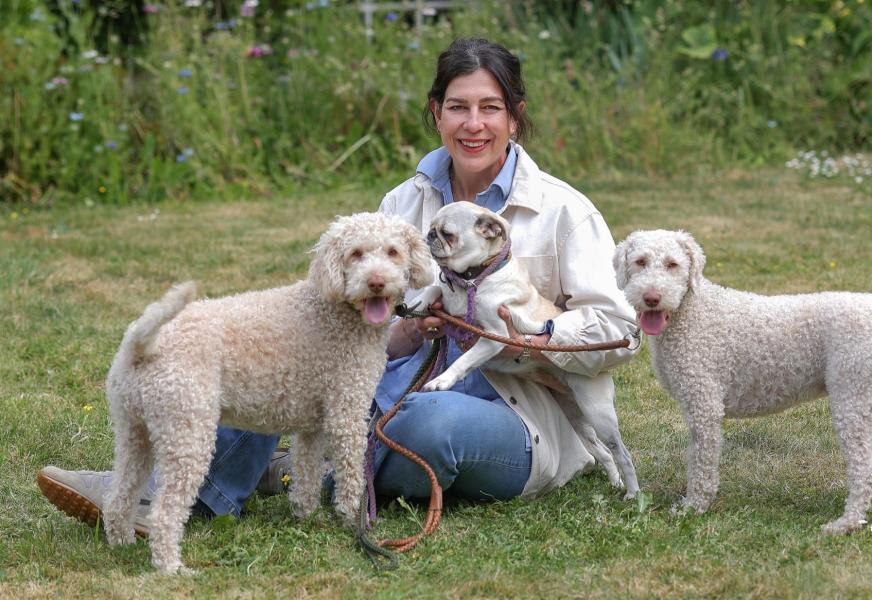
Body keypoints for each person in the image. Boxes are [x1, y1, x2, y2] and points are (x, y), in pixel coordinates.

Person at [36, 38, 639, 531]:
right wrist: (406, 328)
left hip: (517, 415)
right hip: (391, 383)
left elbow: (620, 333)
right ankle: (149, 493)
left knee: (425, 430)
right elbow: (362, 316)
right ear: (436, 112)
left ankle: (299, 473)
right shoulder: (405, 202)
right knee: (264, 362)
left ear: (514, 115)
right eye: (458, 106)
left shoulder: (563, 211)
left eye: (489, 108)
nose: (473, 124)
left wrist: (533, 335)